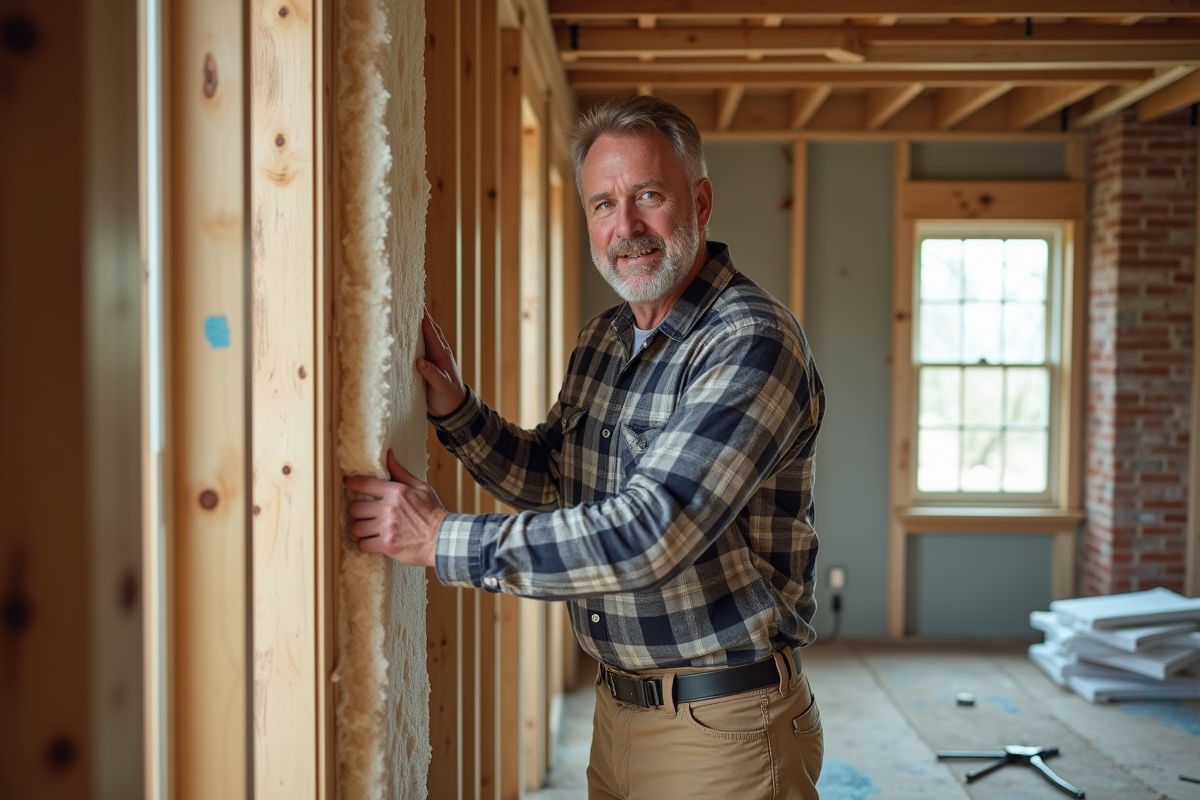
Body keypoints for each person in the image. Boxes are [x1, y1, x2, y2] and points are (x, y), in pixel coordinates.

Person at [346, 95, 826, 799]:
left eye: (648, 197)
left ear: (700, 200)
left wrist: (442, 539)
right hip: (618, 714)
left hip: (724, 728)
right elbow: (555, 481)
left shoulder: (749, 341)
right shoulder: (603, 340)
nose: (625, 227)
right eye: (602, 204)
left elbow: (648, 533)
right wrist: (457, 411)